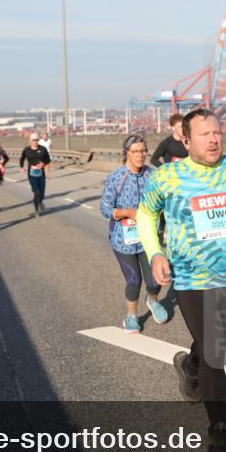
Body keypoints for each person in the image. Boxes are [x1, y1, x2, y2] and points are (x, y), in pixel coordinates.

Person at [136, 109, 226, 452]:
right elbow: (145, 216)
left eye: (217, 132)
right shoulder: (167, 177)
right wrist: (155, 254)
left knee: (211, 346)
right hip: (190, 277)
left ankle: (190, 366)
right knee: (215, 352)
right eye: (205, 134)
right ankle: (220, 428)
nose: (213, 139)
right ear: (186, 139)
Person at [101, 135, 169, 333]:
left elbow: (163, 201)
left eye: (143, 151)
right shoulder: (117, 177)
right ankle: (131, 317)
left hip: (148, 239)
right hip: (123, 240)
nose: (140, 155)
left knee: (155, 280)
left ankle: (153, 300)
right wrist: (129, 213)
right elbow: (105, 209)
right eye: (135, 151)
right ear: (127, 153)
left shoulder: (152, 175)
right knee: (134, 281)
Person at [19, 132, 51, 216]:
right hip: (32, 174)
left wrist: (43, 164)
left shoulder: (43, 149)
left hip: (41, 174)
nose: (35, 142)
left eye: (36, 140)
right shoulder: (27, 150)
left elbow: (48, 160)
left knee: (42, 193)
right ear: (30, 141)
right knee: (36, 192)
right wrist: (21, 167)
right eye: (33, 140)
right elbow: (22, 158)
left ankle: (40, 202)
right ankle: (37, 210)